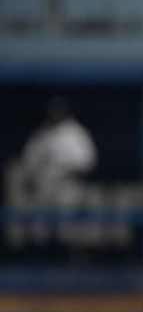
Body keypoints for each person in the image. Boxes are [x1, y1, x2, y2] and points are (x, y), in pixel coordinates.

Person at [21, 96, 96, 244]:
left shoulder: (76, 133)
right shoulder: (42, 134)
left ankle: (68, 261)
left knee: (66, 228)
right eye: (53, 112)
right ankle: (41, 258)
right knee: (40, 228)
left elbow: (88, 162)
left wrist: (64, 166)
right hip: (44, 184)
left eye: (60, 112)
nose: (56, 116)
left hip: (67, 185)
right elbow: (28, 159)